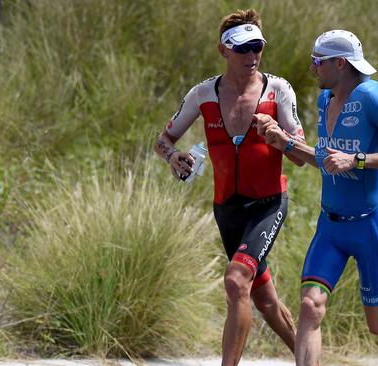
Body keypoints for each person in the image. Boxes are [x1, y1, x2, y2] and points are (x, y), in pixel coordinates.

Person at [256, 30, 378, 366]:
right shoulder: (325, 99)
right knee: (309, 307)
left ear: (341, 64)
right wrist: (283, 140)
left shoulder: (373, 97)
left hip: (369, 230)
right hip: (330, 229)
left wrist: (358, 159)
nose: (313, 67)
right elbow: (326, 159)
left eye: (319, 61)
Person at [154, 9, 305, 366]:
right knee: (265, 300)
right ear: (224, 50)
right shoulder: (203, 94)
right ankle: (310, 360)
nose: (252, 57)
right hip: (226, 209)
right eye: (243, 49)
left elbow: (300, 154)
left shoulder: (279, 90)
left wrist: (279, 137)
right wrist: (173, 156)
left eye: (257, 47)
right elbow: (163, 139)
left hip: (268, 204)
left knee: (237, 280)